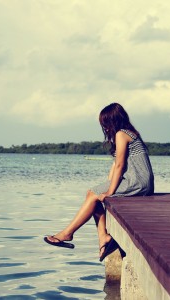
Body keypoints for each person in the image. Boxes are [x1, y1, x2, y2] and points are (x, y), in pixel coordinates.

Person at [44, 102, 154, 261]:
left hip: (137, 182)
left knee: (94, 194)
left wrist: (110, 192)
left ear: (113, 121)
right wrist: (107, 187)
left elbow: (120, 166)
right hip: (138, 181)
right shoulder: (126, 133)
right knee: (92, 194)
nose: (105, 128)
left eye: (105, 124)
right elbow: (116, 164)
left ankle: (68, 233)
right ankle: (103, 237)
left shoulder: (122, 134)